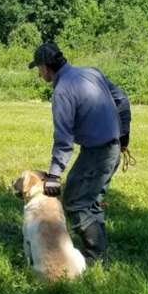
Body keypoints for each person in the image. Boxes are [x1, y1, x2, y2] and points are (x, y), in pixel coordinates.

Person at [28, 42, 131, 267]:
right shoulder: (91, 72)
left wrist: (54, 176)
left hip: (98, 153)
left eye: (38, 69)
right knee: (92, 201)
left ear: (45, 67)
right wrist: (124, 135)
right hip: (112, 149)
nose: (39, 73)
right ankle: (101, 257)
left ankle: (96, 261)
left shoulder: (62, 91)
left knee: (76, 202)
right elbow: (122, 99)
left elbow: (64, 140)